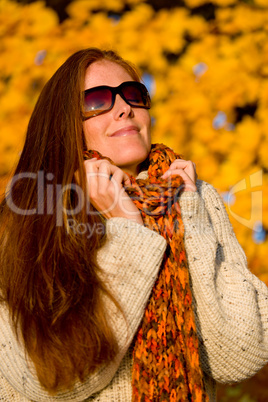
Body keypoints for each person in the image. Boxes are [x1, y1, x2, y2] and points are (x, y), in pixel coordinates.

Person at [0, 48, 267, 402]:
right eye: (97, 100)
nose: (124, 107)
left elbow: (240, 354)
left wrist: (192, 218)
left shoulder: (192, 198)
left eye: (134, 95)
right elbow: (50, 379)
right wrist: (128, 229)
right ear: (64, 123)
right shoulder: (28, 219)